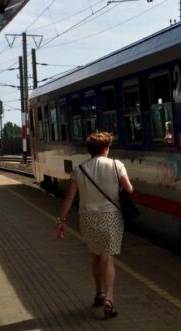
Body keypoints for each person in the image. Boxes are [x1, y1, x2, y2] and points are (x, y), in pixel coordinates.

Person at [55, 131, 133, 320]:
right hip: (110, 216)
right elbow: (129, 189)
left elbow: (70, 197)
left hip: (88, 218)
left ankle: (99, 293)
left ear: (90, 150)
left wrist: (61, 220)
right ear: (106, 148)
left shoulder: (80, 170)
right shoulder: (117, 165)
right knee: (108, 256)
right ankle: (110, 300)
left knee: (96, 255)